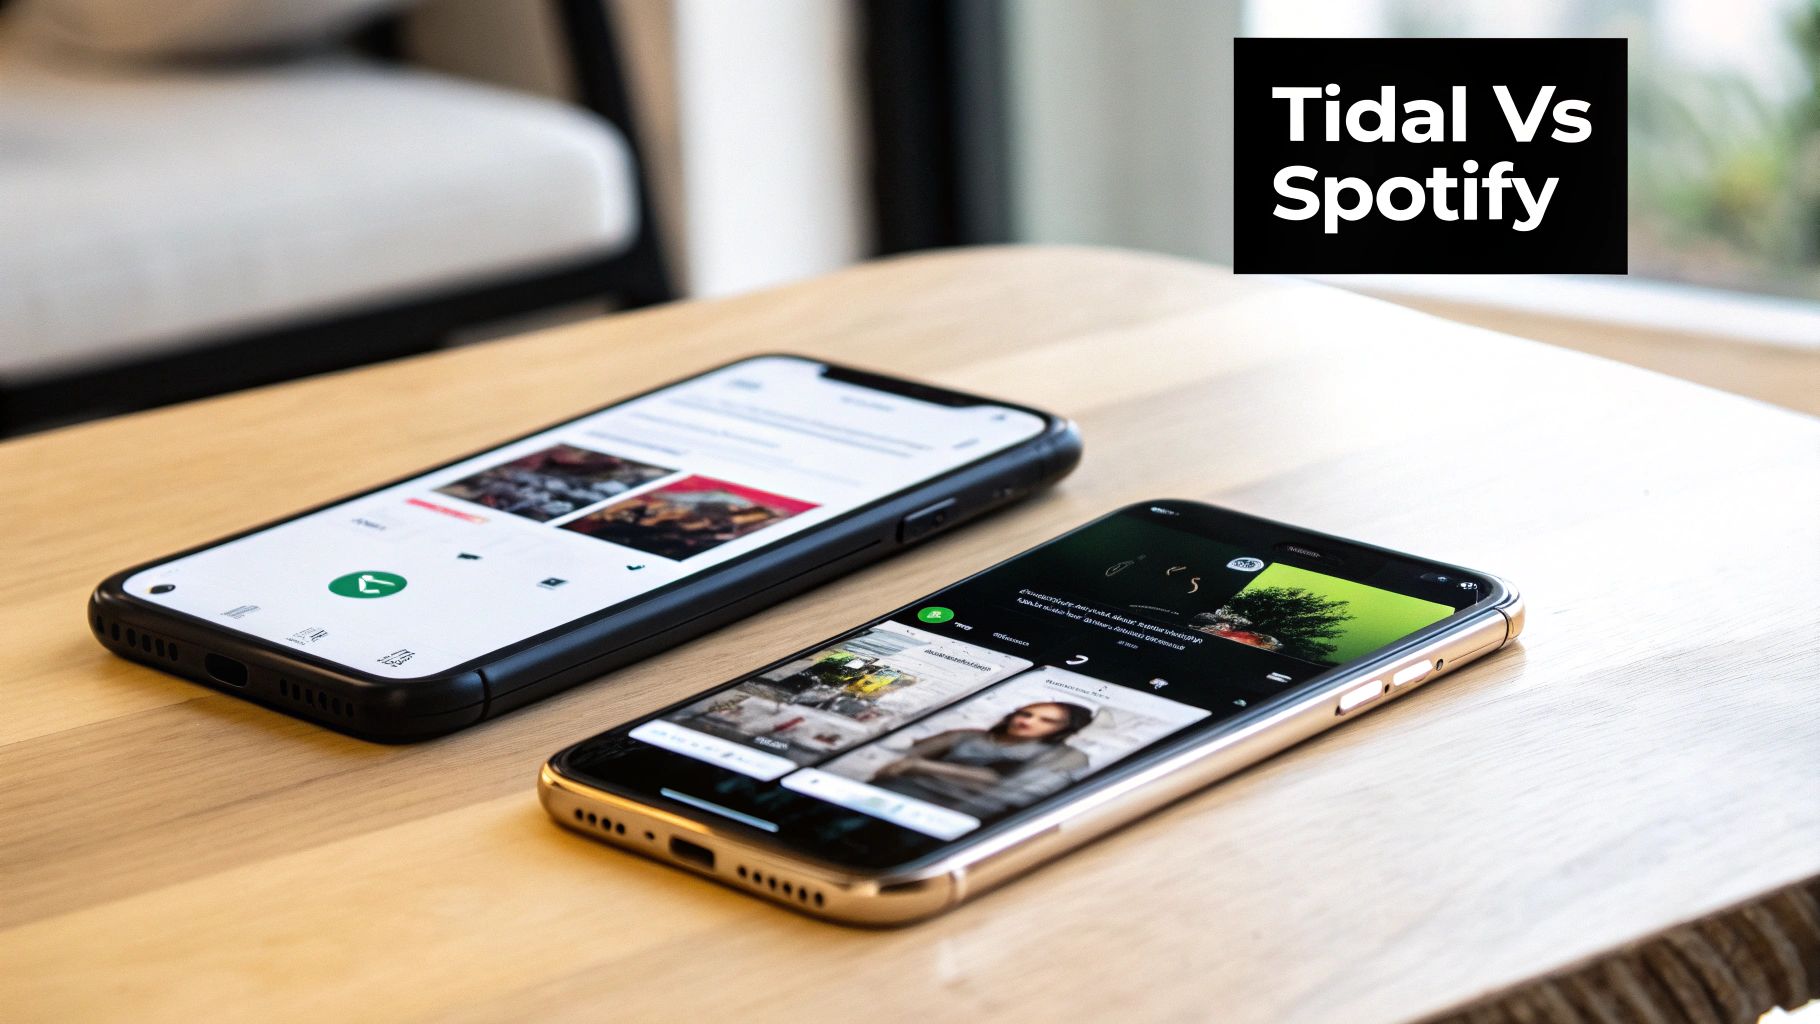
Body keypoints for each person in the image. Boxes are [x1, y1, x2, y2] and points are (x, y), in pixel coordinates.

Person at [871, 701, 1094, 817]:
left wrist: (921, 767)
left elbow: (1009, 790)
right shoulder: (968, 736)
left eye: (1046, 720)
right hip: (894, 794)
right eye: (1026, 714)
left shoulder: (1058, 756)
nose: (1028, 721)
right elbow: (898, 760)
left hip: (953, 812)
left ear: (1064, 729)